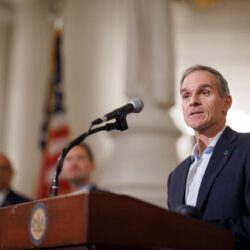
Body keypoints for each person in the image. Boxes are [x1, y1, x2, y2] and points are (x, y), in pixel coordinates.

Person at [167, 65, 250, 249]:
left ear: (226, 102)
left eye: (204, 92)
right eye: (186, 95)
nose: (193, 101)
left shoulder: (246, 148)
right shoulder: (176, 176)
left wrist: (200, 233)